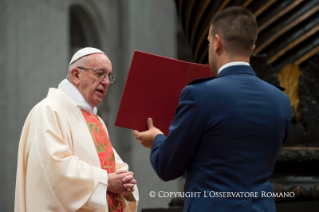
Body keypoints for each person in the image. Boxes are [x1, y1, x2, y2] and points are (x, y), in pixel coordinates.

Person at [133, 6, 291, 212]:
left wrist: (157, 140)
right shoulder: (281, 100)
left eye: (208, 43)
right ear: (252, 46)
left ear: (217, 43)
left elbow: (167, 167)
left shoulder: (199, 95)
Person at [15, 47, 139, 212]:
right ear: (76, 75)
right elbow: (54, 171)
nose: (107, 82)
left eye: (109, 76)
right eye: (100, 73)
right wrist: (105, 182)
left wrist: (125, 181)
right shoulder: (49, 110)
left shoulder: (95, 120)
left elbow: (113, 164)